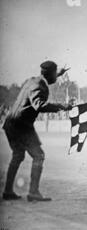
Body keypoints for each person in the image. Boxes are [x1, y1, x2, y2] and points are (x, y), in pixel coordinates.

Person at [2, 61, 71, 201]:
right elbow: (38, 105)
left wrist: (59, 73)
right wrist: (61, 106)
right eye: (55, 74)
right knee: (38, 155)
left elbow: (47, 79)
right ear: (49, 73)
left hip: (11, 123)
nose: (56, 78)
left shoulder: (33, 80)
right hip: (21, 126)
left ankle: (8, 191)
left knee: (18, 155)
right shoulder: (39, 85)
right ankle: (33, 192)